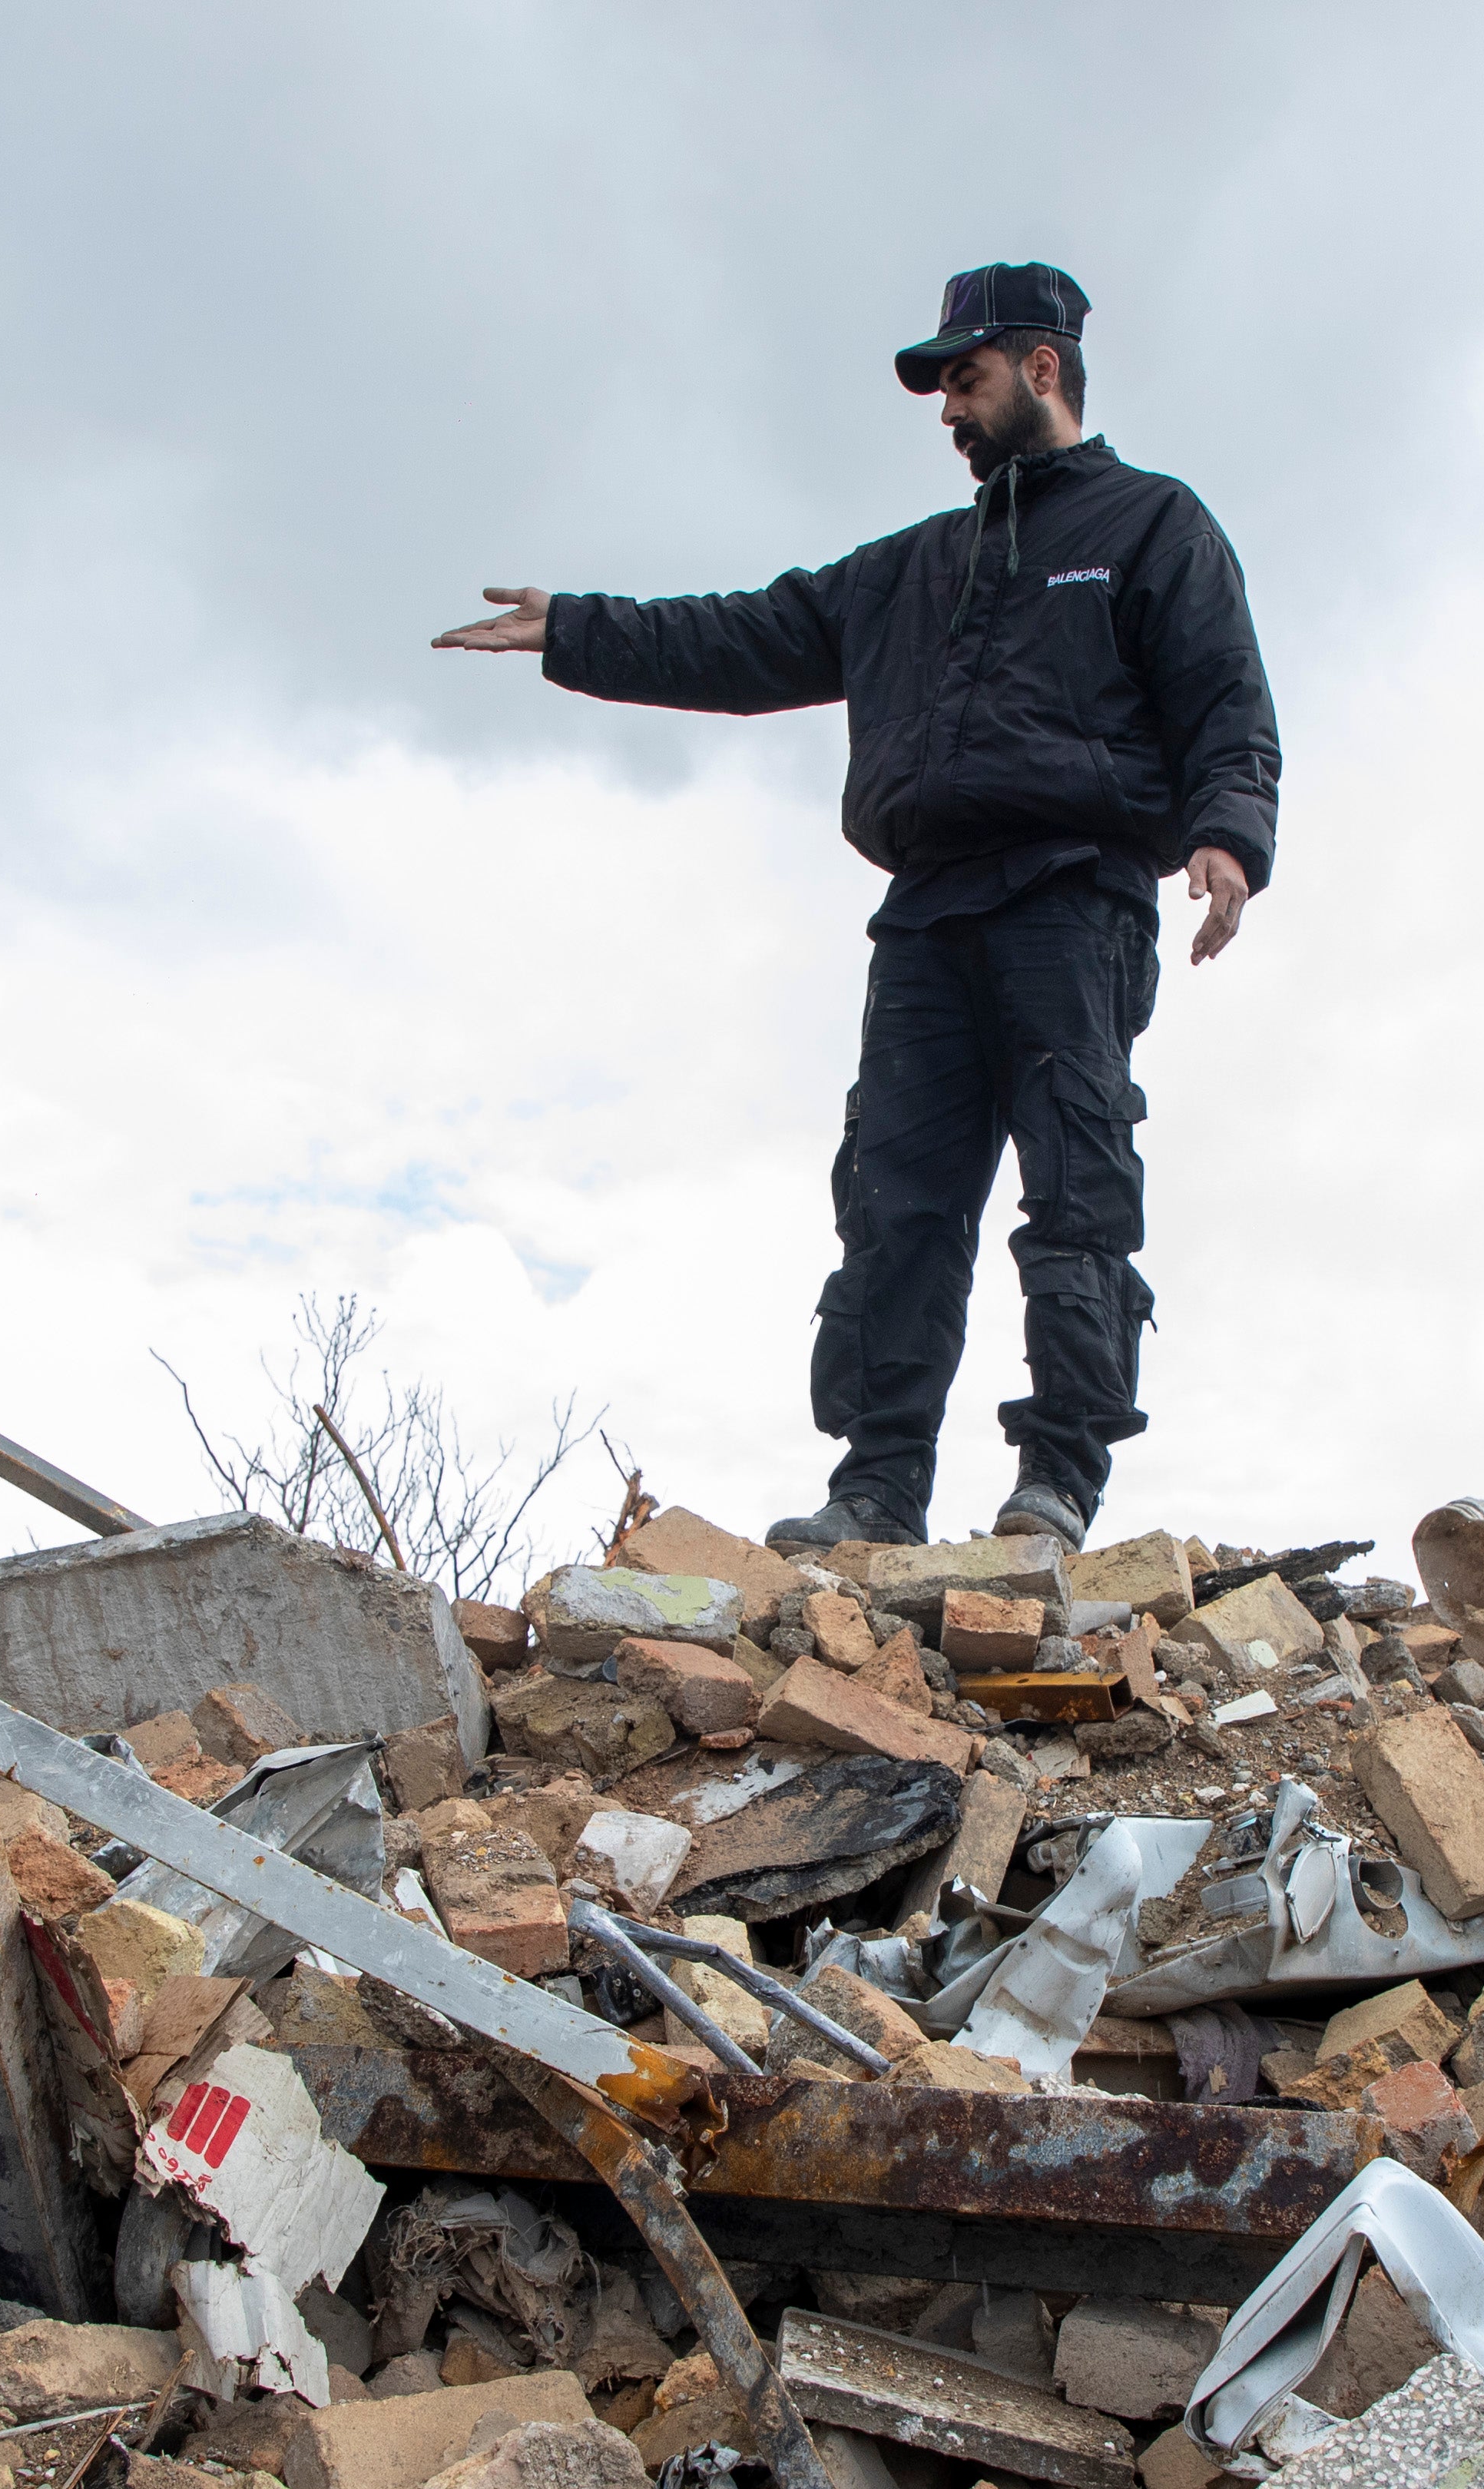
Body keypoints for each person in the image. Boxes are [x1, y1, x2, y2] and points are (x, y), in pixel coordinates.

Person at [432, 263, 1278, 1554]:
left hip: (1075, 899)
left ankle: (1056, 1481)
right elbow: (741, 636)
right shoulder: (908, 570)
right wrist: (578, 631)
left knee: (1078, 1188)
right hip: (927, 918)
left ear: (1041, 367)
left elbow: (1224, 694)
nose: (949, 408)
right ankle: (878, 1490)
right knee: (894, 1210)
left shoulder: (1153, 524)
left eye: (966, 378)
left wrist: (1228, 835)